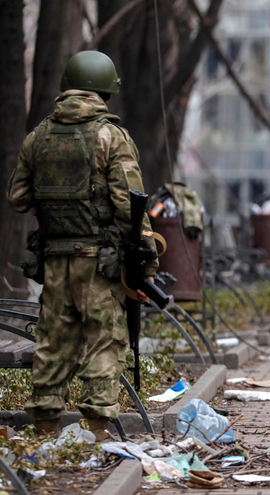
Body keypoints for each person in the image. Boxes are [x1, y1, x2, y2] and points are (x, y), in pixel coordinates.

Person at [6, 50, 158, 441]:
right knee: (106, 341)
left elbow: (18, 198)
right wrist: (147, 259)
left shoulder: (38, 136)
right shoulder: (111, 136)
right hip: (99, 263)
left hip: (54, 260)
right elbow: (129, 204)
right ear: (106, 89)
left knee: (53, 342)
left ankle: (44, 428)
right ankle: (98, 429)